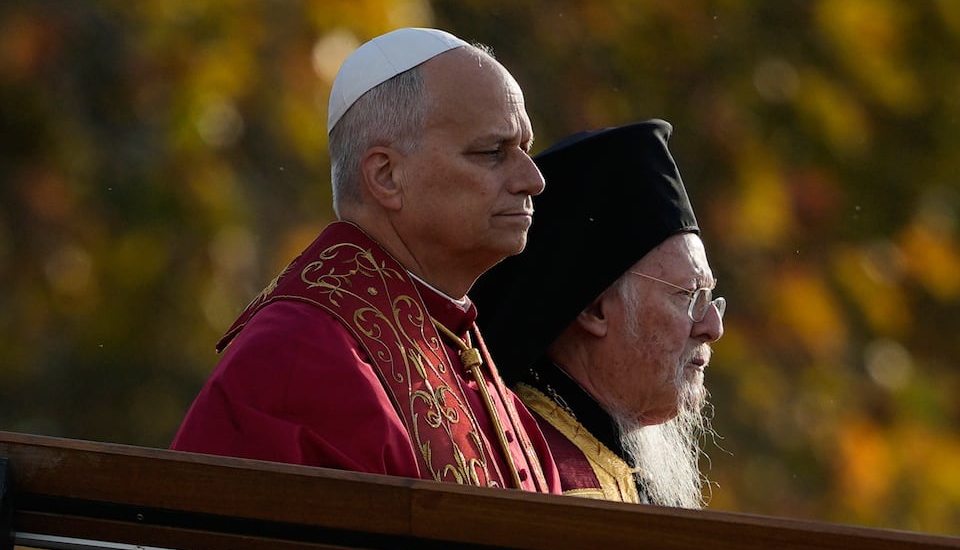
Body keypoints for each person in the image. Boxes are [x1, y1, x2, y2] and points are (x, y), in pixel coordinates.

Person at [126, 27, 559, 522]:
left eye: (525, 148)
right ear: (386, 177)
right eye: (492, 152)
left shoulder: (456, 339)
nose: (533, 178)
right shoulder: (295, 354)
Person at [471, 119, 725, 509]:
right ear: (594, 309)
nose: (712, 327)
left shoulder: (600, 454)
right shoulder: (544, 476)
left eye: (710, 297)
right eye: (688, 296)